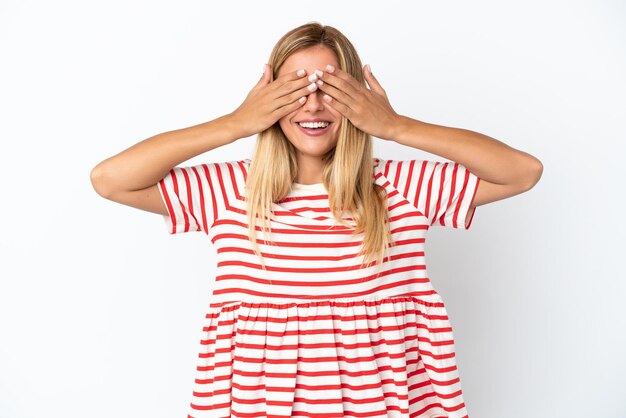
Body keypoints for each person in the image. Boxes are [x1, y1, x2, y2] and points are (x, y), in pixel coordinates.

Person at [90, 21, 542, 418]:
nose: (312, 104)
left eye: (330, 88)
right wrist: (235, 123)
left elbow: (523, 172)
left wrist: (395, 126)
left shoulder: (401, 189)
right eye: (294, 88)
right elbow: (110, 179)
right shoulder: (230, 192)